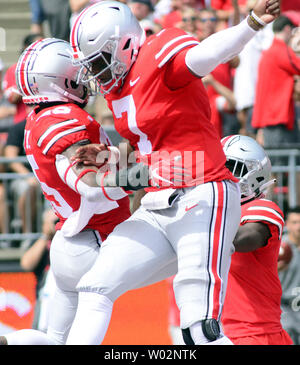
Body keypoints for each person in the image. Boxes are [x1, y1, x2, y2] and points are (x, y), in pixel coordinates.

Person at [64, 0, 280, 345]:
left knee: (198, 329)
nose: (97, 74)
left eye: (101, 62)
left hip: (201, 193)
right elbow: (152, 146)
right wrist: (109, 156)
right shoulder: (118, 89)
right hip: (158, 202)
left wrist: (250, 24)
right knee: (94, 287)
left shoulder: (157, 52)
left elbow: (204, 57)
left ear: (124, 43)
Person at [0, 37, 131, 345]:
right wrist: (142, 175)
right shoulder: (67, 120)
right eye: (78, 74)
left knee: (54, 340)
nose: (85, 79)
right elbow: (91, 188)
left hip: (68, 239)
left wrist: (130, 154)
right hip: (97, 238)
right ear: (58, 80)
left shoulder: (36, 117)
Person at [220, 135, 293, 345]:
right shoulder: (216, 212)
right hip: (215, 332)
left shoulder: (261, 208)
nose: (221, 174)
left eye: (230, 166)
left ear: (256, 174)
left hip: (255, 334)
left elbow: (241, 238)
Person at [251, 15, 300, 149]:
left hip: (271, 117)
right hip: (277, 117)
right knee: (284, 163)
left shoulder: (270, 52)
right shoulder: (280, 50)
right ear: (287, 29)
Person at [279, 206, 300, 345]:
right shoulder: (279, 247)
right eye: (294, 222)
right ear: (287, 224)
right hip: (284, 308)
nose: (299, 226)